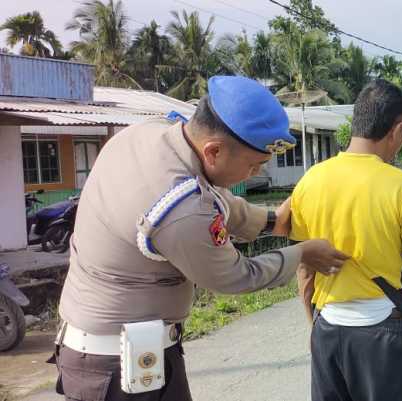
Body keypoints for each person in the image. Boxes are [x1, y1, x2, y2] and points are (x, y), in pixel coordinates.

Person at [51, 75, 349, 401]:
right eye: (253, 165)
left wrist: (271, 221)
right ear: (213, 151)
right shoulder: (183, 211)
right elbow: (236, 275)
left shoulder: (149, 135)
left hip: (115, 351)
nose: (257, 174)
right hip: (119, 369)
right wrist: (302, 254)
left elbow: (216, 198)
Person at [291, 79, 402, 401]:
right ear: (398, 128)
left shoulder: (310, 181)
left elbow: (304, 269)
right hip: (383, 333)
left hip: (328, 328)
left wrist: (314, 327)